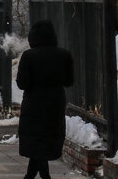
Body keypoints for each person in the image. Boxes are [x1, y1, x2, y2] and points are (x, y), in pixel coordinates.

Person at [16, 20, 74, 179]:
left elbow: (22, 83)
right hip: (55, 104)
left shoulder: (29, 56)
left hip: (33, 105)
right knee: (45, 142)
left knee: (36, 144)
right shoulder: (64, 55)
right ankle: (36, 175)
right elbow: (69, 82)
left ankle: (37, 176)